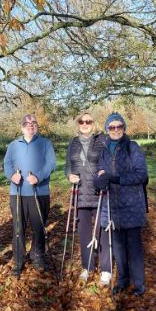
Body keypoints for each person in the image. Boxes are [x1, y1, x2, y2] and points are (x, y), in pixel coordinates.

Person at [94, 112, 148, 296]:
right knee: (118, 247)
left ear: (123, 128)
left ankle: (139, 283)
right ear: (107, 129)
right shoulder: (104, 150)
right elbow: (99, 172)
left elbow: (142, 175)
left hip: (132, 205)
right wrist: (98, 181)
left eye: (119, 126)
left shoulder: (132, 147)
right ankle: (123, 279)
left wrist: (116, 179)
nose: (116, 130)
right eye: (112, 127)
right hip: (112, 206)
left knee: (134, 247)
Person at [3, 114, 57, 276]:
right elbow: (7, 164)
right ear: (21, 127)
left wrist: (38, 176)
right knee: (19, 228)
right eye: (26, 123)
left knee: (39, 227)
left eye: (33, 123)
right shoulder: (13, 145)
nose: (30, 125)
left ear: (37, 126)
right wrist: (12, 175)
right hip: (18, 193)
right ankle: (18, 260)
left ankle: (38, 258)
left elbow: (51, 164)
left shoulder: (45, 143)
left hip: (39, 192)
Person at [64, 112, 112, 284]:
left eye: (88, 121)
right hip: (80, 192)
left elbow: (109, 162)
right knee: (83, 232)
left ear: (93, 123)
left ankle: (106, 270)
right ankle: (87, 267)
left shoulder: (102, 139)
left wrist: (105, 174)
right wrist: (69, 175)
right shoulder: (73, 142)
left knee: (102, 231)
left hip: (98, 191)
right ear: (78, 124)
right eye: (81, 121)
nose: (85, 124)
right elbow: (68, 165)